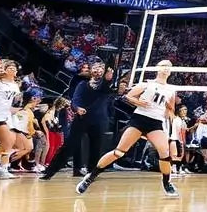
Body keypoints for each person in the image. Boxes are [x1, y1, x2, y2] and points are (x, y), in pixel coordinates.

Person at [76, 59, 179, 198]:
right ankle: (91, 176)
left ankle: (167, 183)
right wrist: (139, 102)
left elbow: (171, 110)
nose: (166, 68)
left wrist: (170, 114)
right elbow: (128, 96)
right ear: (158, 68)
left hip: (156, 123)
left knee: (164, 152)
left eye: (169, 67)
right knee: (119, 152)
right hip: (140, 119)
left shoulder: (171, 90)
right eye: (164, 66)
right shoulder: (147, 84)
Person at [40, 60, 112, 179]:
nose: (98, 70)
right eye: (95, 67)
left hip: (99, 120)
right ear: (91, 70)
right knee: (69, 145)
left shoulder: (106, 85)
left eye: (101, 68)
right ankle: (50, 171)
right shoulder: (83, 84)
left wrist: (108, 78)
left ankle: (91, 173)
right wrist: (77, 108)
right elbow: (75, 99)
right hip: (82, 119)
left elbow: (106, 85)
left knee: (96, 147)